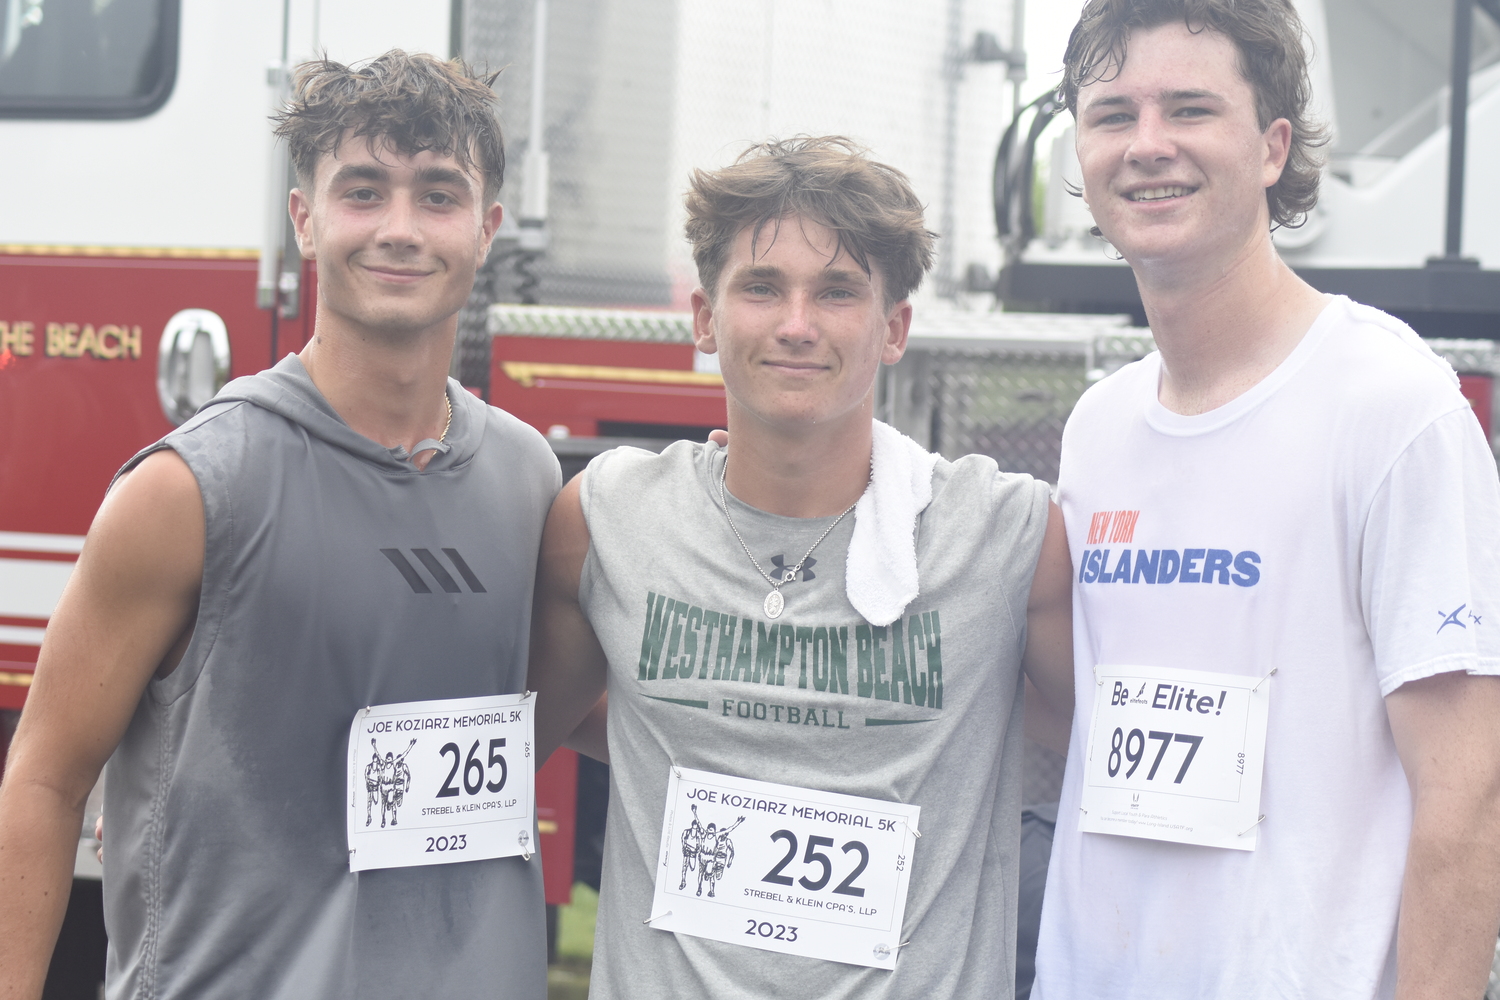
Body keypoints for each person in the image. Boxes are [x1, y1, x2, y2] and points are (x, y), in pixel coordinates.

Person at [0, 51, 559, 1000]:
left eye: (437, 195)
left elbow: (569, 711)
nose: (399, 228)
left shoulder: (528, 480)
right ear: (304, 219)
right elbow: (45, 782)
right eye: (362, 191)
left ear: (487, 229)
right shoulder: (188, 491)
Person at [528, 136, 1075, 998]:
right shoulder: (604, 521)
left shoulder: (1003, 534)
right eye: (760, 287)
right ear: (704, 319)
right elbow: (526, 729)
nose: (796, 323)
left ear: (893, 328)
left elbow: (1106, 746)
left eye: (837, 292)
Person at [1033, 2, 1500, 998]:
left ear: (1274, 145)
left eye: (1190, 108)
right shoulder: (1100, 427)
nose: (1147, 145)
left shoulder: (1390, 405)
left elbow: (1468, 802)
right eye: (1113, 114)